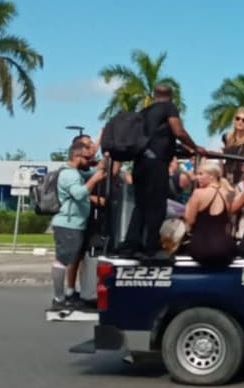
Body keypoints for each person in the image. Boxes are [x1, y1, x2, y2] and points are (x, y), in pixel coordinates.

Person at [120, 83, 203, 260]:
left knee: (141, 206)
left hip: (140, 163)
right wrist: (194, 147)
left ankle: (131, 246)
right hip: (156, 164)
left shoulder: (144, 112)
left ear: (153, 95)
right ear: (171, 96)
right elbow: (178, 131)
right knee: (156, 207)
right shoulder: (168, 107)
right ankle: (151, 248)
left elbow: (158, 137)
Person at [51, 142, 107, 308]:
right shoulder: (70, 175)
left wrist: (103, 160)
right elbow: (79, 194)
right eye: (87, 158)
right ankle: (59, 299)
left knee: (68, 259)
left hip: (75, 223)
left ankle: (64, 296)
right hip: (68, 224)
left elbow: (94, 171)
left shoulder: (76, 172)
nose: (90, 161)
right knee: (62, 260)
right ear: (76, 156)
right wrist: (94, 180)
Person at [183, 160, 238, 267]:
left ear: (212, 176)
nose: (197, 177)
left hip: (202, 248)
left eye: (201, 174)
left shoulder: (198, 193)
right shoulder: (229, 194)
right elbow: (230, 217)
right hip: (225, 249)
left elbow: (190, 220)